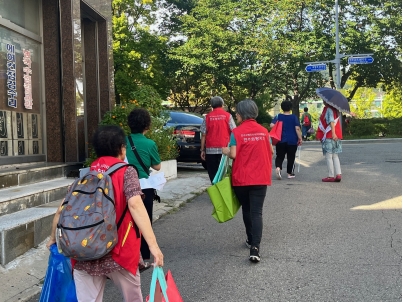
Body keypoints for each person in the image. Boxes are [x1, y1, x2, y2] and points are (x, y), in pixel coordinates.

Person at [46, 125, 164, 302]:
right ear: (122, 149)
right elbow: (135, 205)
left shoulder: (85, 174)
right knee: (133, 299)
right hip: (119, 251)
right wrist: (153, 246)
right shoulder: (126, 172)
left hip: (84, 251)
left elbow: (62, 211)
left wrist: (53, 238)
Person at [222, 99, 273, 263]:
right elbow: (271, 151)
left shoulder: (236, 132)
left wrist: (225, 151)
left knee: (247, 209)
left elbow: (234, 154)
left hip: (242, 178)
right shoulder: (264, 131)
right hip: (260, 177)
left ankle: (250, 239)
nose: (236, 115)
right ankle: (255, 248)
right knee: (257, 212)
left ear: (242, 114)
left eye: (237, 112)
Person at [126, 108, 161, 267]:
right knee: (145, 219)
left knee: (127, 220)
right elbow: (157, 166)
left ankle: (129, 252)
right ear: (147, 125)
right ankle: (145, 255)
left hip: (125, 185)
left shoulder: (122, 141)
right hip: (144, 187)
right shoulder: (150, 144)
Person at [201, 96, 236, 183]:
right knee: (223, 173)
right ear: (222, 104)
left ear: (212, 105)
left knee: (213, 173)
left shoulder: (207, 117)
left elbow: (203, 134)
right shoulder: (228, 116)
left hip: (210, 151)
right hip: (224, 150)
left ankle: (215, 191)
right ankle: (222, 192)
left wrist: (202, 150)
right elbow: (234, 132)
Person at [270, 100, 303, 179]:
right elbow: (297, 128)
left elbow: (271, 125)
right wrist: (300, 138)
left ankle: (278, 168)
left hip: (280, 140)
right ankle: (289, 173)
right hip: (292, 141)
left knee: (280, 156)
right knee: (291, 157)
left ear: (282, 108)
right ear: (290, 108)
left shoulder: (278, 116)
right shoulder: (293, 117)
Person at [316, 102, 343, 182]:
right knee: (335, 155)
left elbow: (331, 122)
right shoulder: (336, 110)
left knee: (329, 156)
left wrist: (333, 133)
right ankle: (338, 174)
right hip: (337, 135)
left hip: (330, 135)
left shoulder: (328, 109)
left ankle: (331, 175)